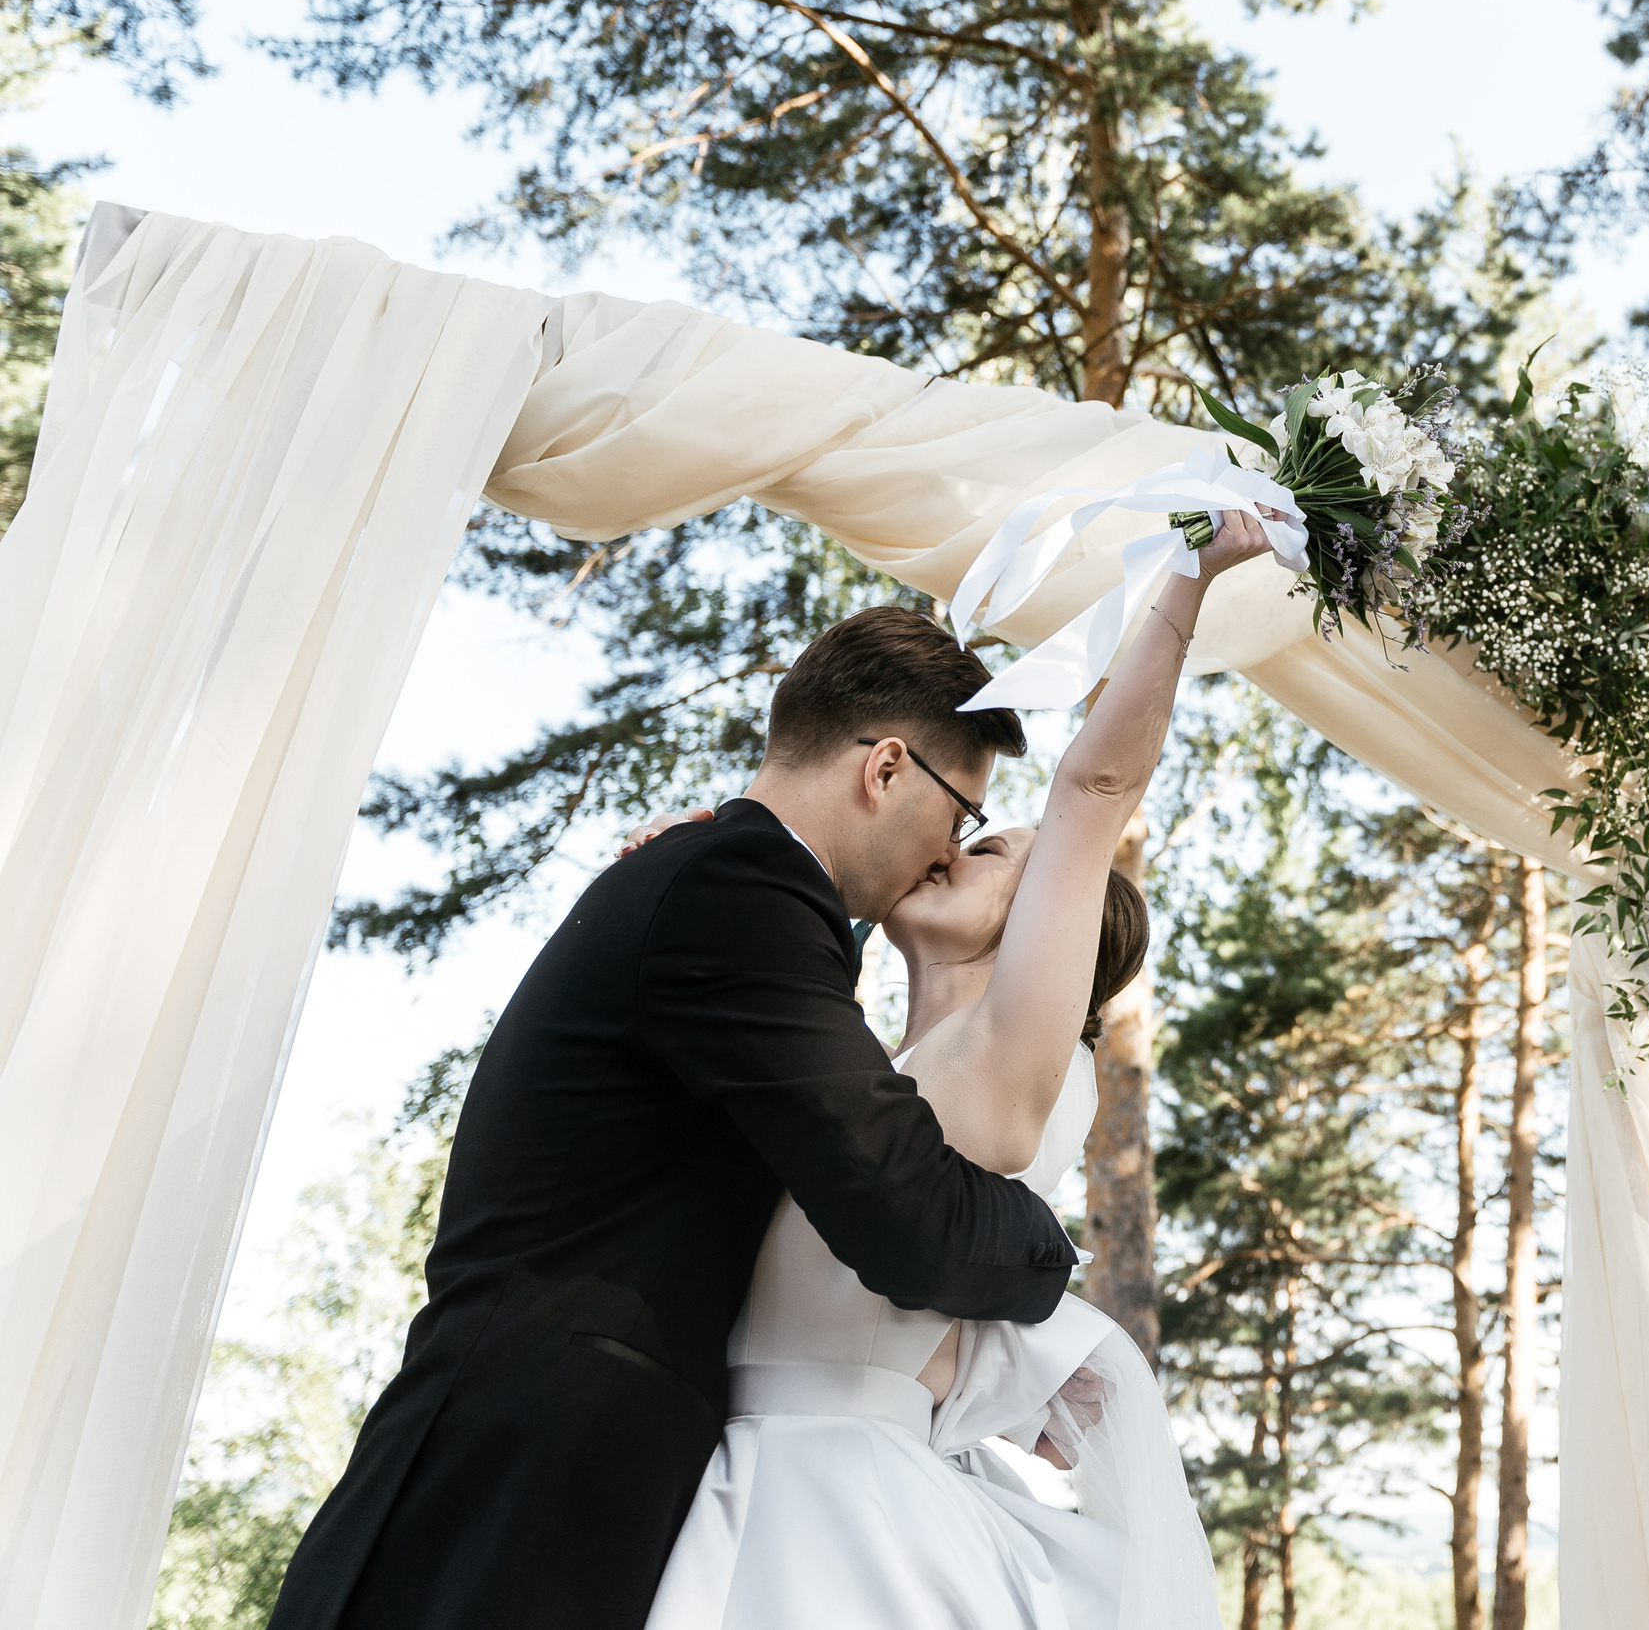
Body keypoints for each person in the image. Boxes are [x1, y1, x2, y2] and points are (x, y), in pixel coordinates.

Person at [268, 606, 1084, 1630]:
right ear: (884, 770)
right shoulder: (740, 890)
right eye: (960, 815)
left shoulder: (723, 881)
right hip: (518, 1492)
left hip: (549, 1466)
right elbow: (902, 1210)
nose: (943, 854)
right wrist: (1054, 1265)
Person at [632, 509, 1275, 1630]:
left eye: (982, 849)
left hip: (844, 1523)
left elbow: (1091, 792)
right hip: (725, 1487)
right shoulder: (862, 1071)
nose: (940, 846)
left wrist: (1190, 571)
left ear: (1047, 931)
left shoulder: (1010, 1055)